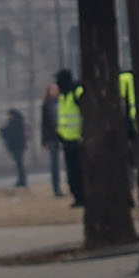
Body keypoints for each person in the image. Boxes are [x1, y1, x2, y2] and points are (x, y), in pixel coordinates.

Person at [54, 69, 85, 206]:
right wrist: (60, 134)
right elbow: (62, 118)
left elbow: (85, 113)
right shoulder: (62, 96)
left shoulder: (76, 92)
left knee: (79, 171)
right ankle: (77, 196)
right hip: (67, 140)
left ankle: (83, 196)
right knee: (72, 173)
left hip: (79, 140)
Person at [39, 82, 63, 198]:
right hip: (52, 137)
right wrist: (44, 140)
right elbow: (44, 124)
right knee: (54, 164)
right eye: (52, 89)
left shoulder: (62, 101)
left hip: (64, 134)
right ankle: (56, 188)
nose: (54, 91)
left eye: (56, 89)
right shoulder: (46, 105)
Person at [0, 107, 29, 188]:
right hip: (19, 146)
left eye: (9, 115)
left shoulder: (15, 122)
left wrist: (2, 131)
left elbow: (11, 133)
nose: (8, 116)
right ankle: (21, 181)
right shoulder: (19, 121)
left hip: (17, 147)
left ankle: (22, 181)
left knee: (19, 164)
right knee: (19, 164)